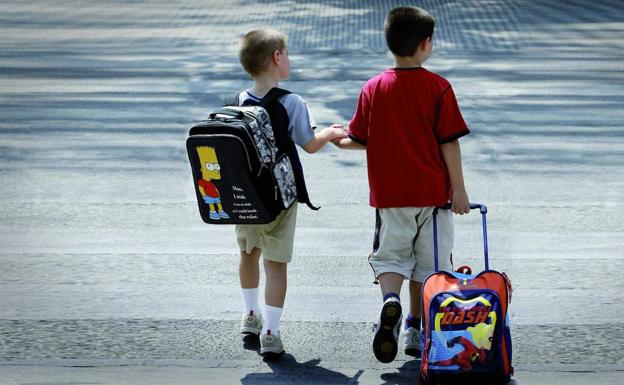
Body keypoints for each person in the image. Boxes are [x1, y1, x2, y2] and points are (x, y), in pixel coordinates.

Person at [332, 6, 471, 363]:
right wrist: (459, 189)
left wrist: (336, 138)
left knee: (392, 257)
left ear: (389, 43)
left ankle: (389, 302)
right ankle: (414, 325)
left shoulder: (374, 87)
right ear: (426, 44)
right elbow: (449, 142)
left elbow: (360, 138)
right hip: (435, 196)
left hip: (391, 196)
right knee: (430, 266)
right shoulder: (439, 88)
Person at [234, 29, 346, 360]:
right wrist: (328, 133)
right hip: (280, 199)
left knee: (248, 254)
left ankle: (250, 314)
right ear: (277, 58)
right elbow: (309, 145)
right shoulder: (291, 102)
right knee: (276, 265)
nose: (290, 59)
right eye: (288, 53)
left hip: (246, 199)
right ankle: (270, 332)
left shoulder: (239, 100)